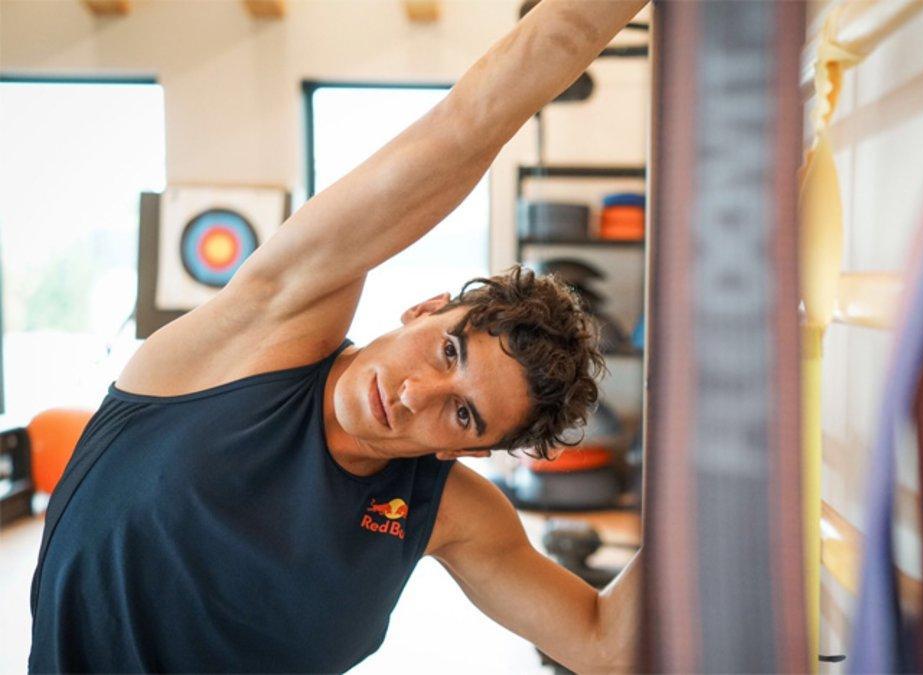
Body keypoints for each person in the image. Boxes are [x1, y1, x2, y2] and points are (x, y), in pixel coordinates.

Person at [28, 1, 645, 672]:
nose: (416, 394)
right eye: (448, 350)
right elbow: (468, 126)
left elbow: (600, 643)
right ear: (425, 308)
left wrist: (722, 450)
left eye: (464, 414)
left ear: (470, 451)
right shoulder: (265, 327)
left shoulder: (446, 510)